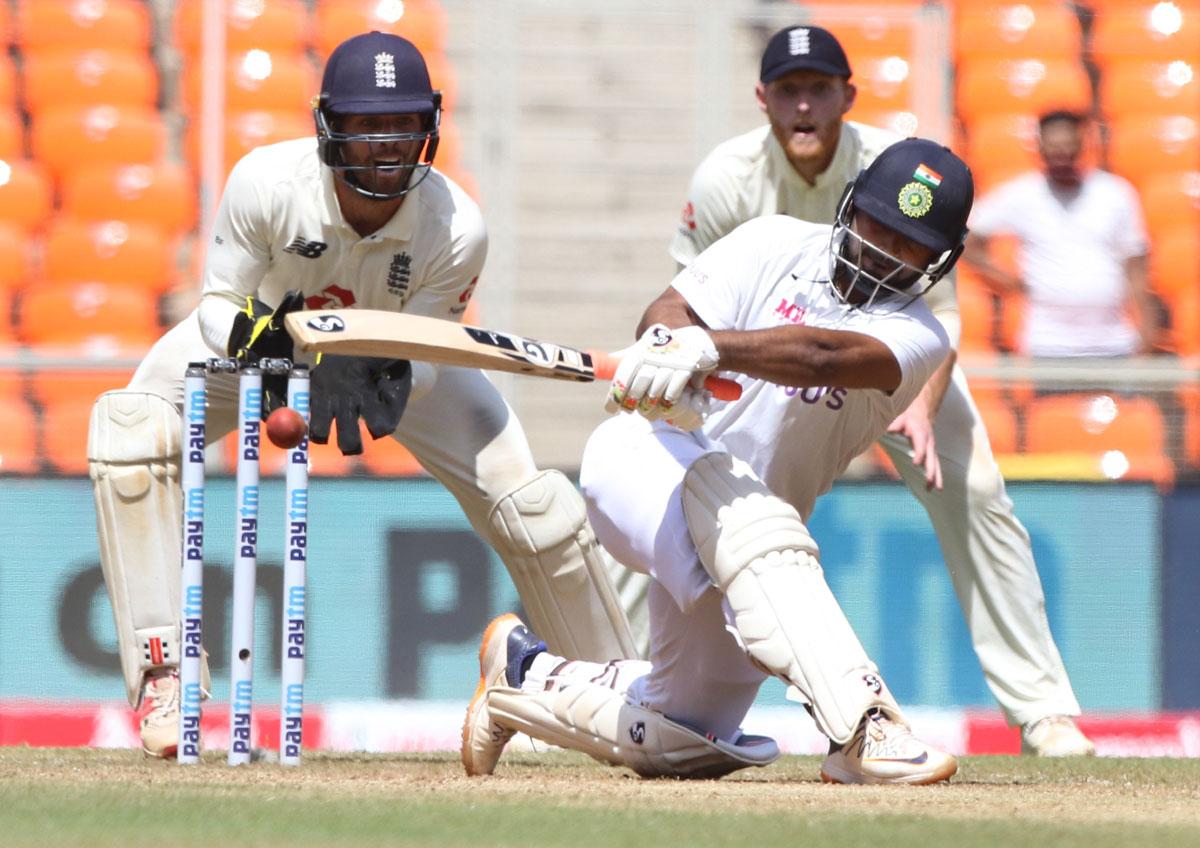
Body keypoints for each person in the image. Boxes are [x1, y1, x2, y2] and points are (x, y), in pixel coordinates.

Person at [86, 31, 636, 758]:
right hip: (262, 344)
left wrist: (378, 364)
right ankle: (165, 679)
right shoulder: (266, 184)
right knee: (128, 430)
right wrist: (286, 349)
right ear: (329, 126)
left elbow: (432, 350)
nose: (386, 145)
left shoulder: (456, 226)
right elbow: (218, 304)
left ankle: (622, 702)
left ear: (428, 129)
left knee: (539, 510)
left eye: (403, 125)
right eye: (367, 126)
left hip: (394, 356)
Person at [632, 24, 1090, 757]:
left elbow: (937, 317)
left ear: (849, 95)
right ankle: (621, 679)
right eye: (789, 90)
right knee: (669, 483)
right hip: (761, 350)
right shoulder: (726, 178)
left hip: (888, 355)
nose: (805, 106)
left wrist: (917, 401)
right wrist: (672, 363)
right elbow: (685, 299)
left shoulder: (896, 166)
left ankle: (1044, 713)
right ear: (764, 99)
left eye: (820, 89)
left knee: (972, 493)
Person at [463, 138, 972, 784]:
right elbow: (670, 310)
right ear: (851, 206)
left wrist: (709, 349)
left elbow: (822, 354)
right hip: (645, 461)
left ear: (938, 260)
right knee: (734, 498)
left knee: (684, 736)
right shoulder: (771, 242)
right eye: (878, 225)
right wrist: (664, 346)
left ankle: (522, 675)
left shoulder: (920, 337)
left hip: (756, 552)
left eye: (909, 245)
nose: (882, 251)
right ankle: (867, 728)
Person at [962, 109, 1159, 357]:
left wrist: (1148, 334)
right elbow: (967, 239)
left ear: (1083, 143)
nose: (1062, 155)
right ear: (1040, 146)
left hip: (1114, 342)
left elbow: (1136, 269)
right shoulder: (1022, 194)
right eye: (1055, 147)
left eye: (1068, 146)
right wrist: (1008, 282)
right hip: (1049, 344)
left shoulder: (1116, 193)